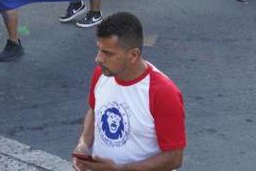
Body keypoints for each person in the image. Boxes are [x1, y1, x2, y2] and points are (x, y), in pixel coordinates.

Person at [72, 12, 185, 170]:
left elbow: (174, 158)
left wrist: (120, 170)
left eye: (108, 53)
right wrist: (83, 143)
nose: (98, 59)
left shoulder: (164, 93)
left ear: (133, 55)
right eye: (99, 50)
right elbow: (94, 110)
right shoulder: (102, 73)